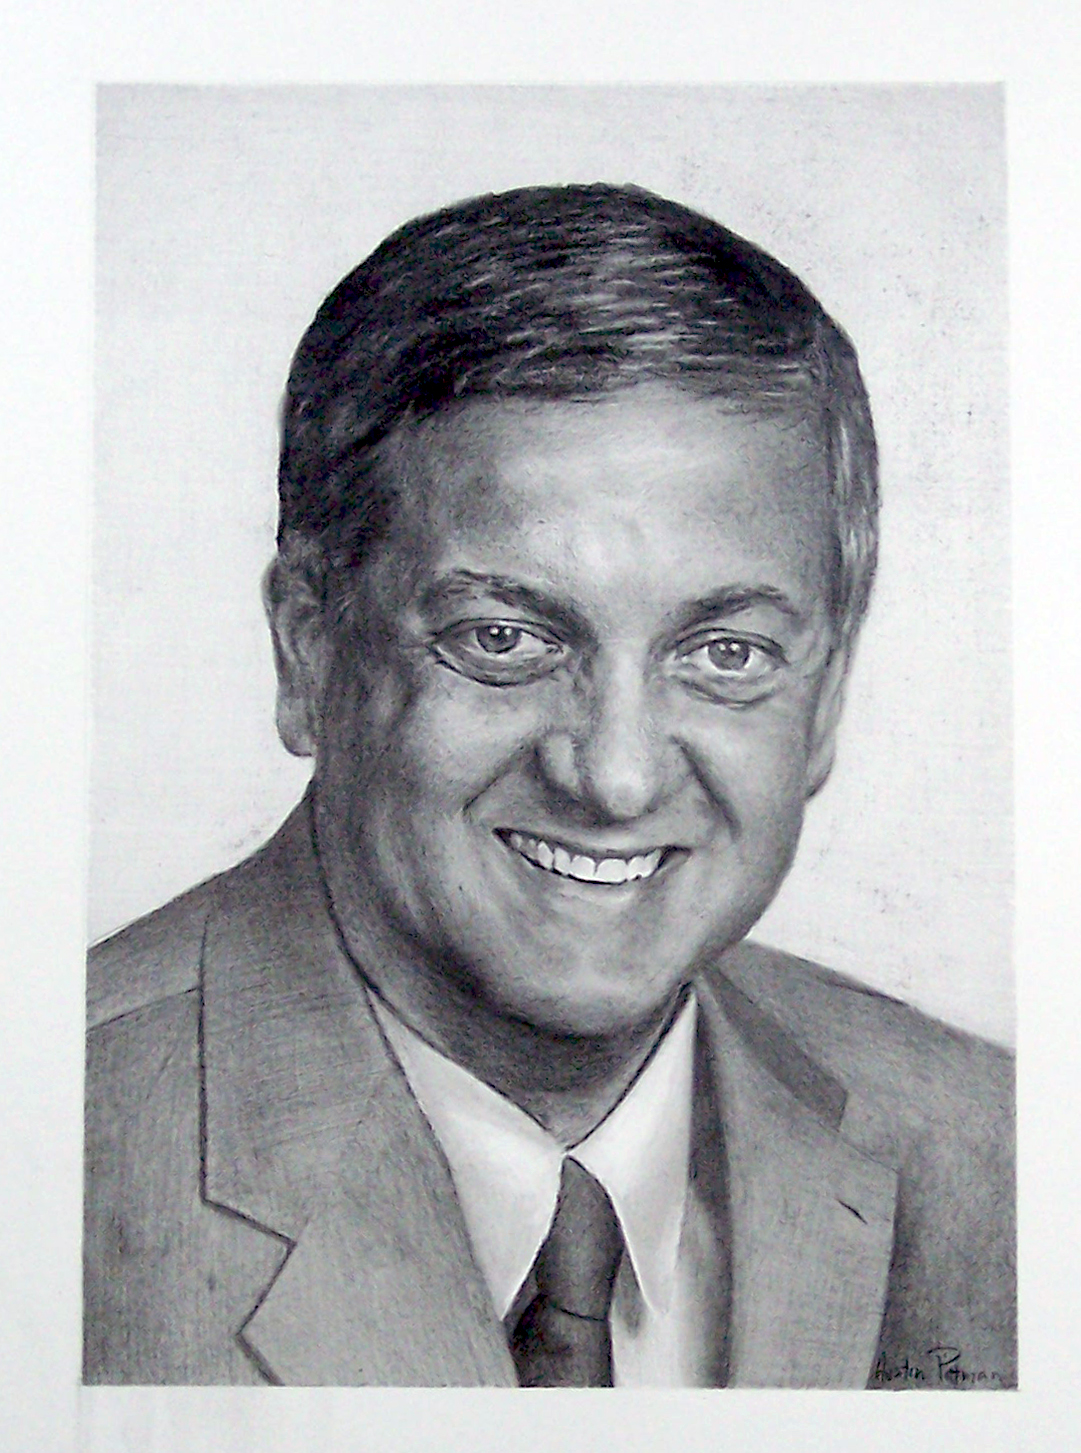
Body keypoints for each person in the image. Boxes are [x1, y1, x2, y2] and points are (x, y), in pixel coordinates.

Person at [83, 183, 1015, 1389]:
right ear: (308, 648)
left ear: (825, 697)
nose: (615, 777)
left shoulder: (1007, 1154)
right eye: (504, 640)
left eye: (725, 654)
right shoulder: (56, 1143)